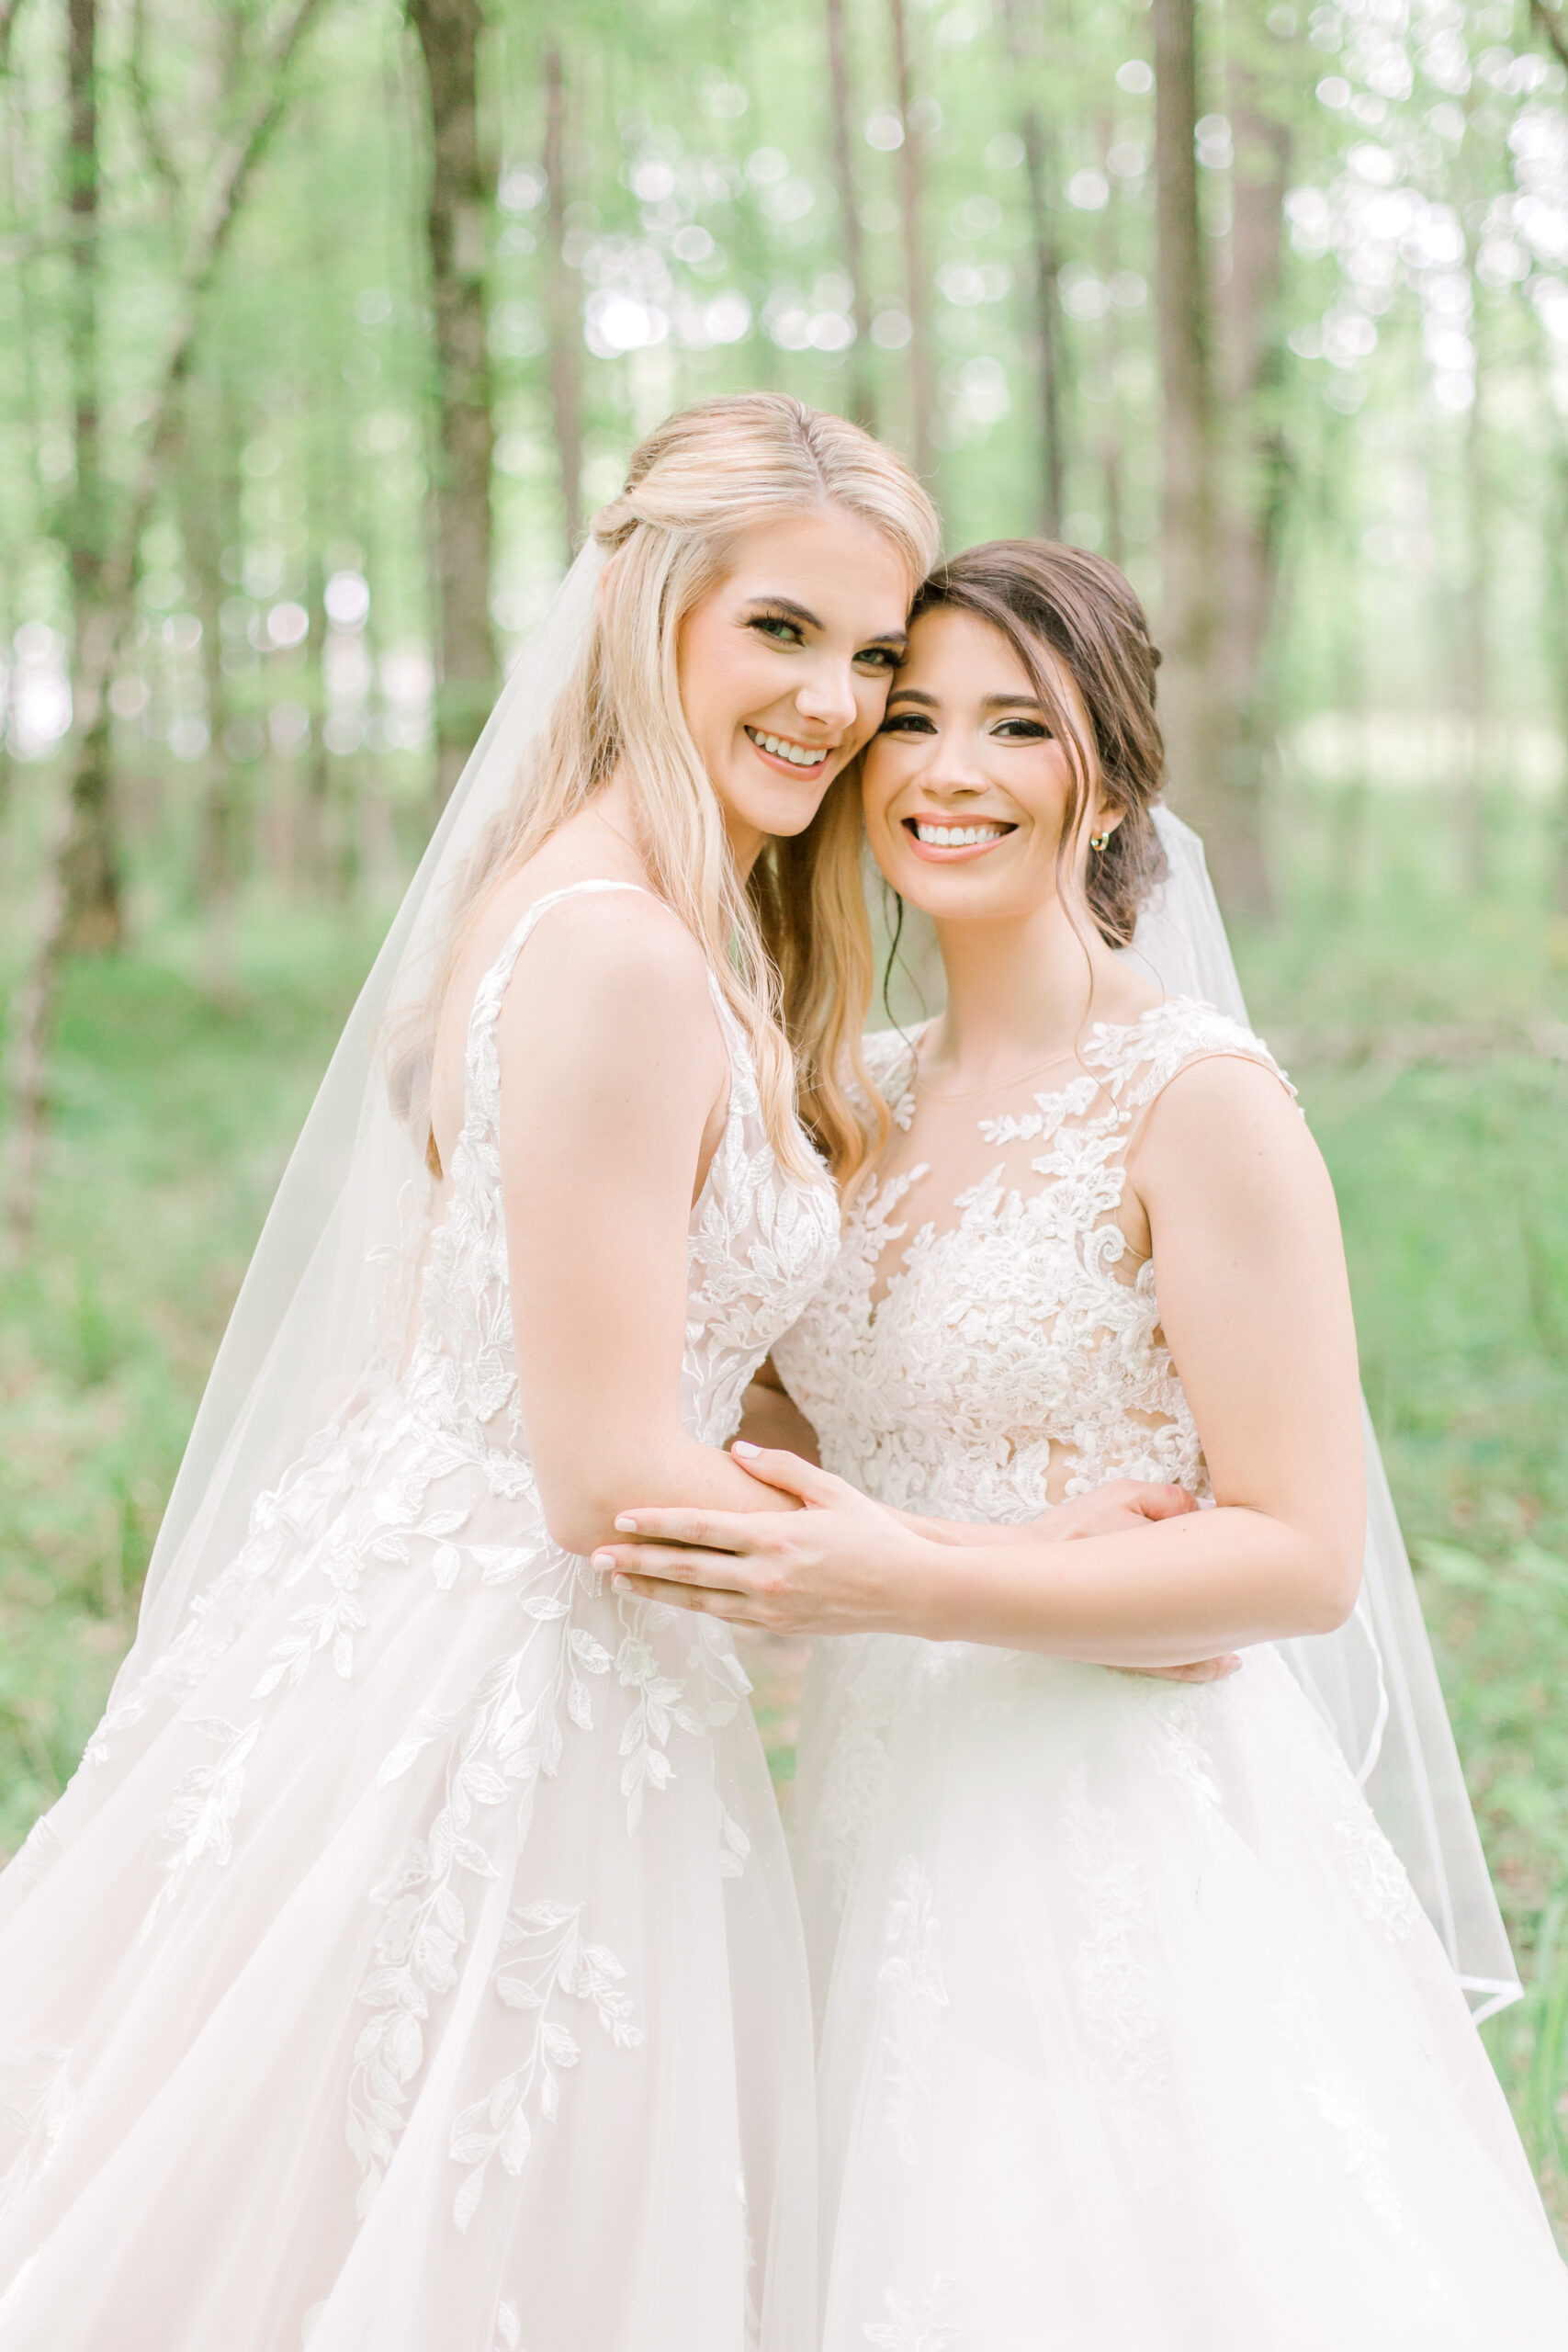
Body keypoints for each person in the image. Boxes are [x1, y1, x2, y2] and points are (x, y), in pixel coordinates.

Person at [0, 395, 940, 2352]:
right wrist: (976, 1557)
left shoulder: (659, 907)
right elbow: (606, 1477)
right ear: (648, 605)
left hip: (472, 1614)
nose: (835, 700)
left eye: (870, 651)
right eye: (780, 628)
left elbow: (638, 1348)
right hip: (513, 1671)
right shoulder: (615, 946)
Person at [602, 538, 1568, 2346]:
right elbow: (795, 1413)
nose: (944, 770)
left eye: (1013, 728)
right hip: (875, 1802)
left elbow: (1295, 1551)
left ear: (1106, 778)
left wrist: (928, 1576)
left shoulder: (1193, 1101)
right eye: (908, 718)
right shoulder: (849, 1092)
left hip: (1112, 1815)